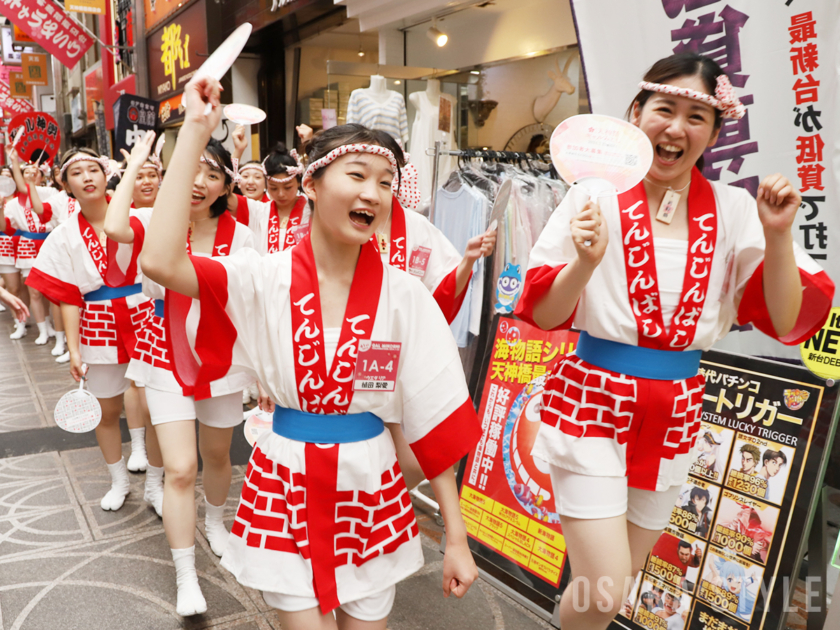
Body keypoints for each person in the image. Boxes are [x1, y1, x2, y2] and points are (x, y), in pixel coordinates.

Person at [141, 73, 481, 630]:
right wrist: (196, 135)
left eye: (386, 181)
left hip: (371, 489)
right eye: (357, 175)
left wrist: (456, 538)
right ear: (313, 185)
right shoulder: (261, 277)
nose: (373, 192)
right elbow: (160, 262)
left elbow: (434, 419)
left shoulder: (405, 297)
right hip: (285, 482)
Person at [513, 51, 833, 630]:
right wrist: (584, 264)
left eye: (696, 116)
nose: (676, 127)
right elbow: (543, 308)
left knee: (607, 589)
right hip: (593, 401)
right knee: (604, 588)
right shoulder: (593, 197)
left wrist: (779, 237)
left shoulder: (737, 209)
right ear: (636, 114)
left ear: (713, 132)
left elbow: (785, 318)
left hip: (676, 410)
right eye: (664, 108)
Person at [105, 129, 256, 617]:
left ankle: (215, 522)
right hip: (166, 354)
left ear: (225, 188)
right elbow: (113, 225)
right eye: (190, 169)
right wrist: (136, 165)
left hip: (224, 358)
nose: (198, 181)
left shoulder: (243, 236)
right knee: (181, 468)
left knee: (216, 456)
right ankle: (186, 575)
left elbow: (251, 302)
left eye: (211, 174)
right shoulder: (156, 222)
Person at [26, 147, 155, 516]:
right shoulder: (64, 235)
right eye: (77, 172)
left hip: (144, 314)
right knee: (106, 410)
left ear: (106, 175)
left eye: (93, 169)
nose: (87, 177)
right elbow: (68, 296)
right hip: (98, 323)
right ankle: (118, 480)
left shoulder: (140, 216)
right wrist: (75, 349)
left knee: (155, 402)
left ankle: (156, 481)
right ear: (64, 184)